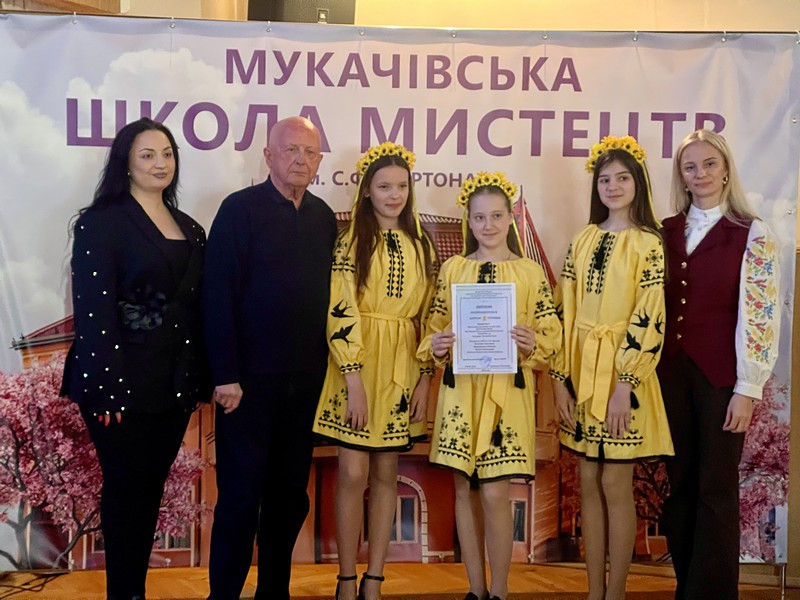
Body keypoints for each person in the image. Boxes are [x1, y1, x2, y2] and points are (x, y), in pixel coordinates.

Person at [61, 117, 210, 600]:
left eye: (167, 154)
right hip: (118, 384)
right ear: (125, 162)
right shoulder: (101, 222)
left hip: (173, 383)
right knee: (126, 490)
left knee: (149, 492)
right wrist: (107, 388)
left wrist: (202, 377)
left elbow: (197, 308)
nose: (160, 163)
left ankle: (134, 592)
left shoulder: (191, 228)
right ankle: (123, 594)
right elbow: (93, 311)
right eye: (147, 154)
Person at [203, 116, 338, 600]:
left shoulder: (324, 218)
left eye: (310, 152)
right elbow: (217, 295)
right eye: (291, 150)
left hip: (304, 385)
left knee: (288, 498)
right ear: (268, 156)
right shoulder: (238, 210)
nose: (301, 160)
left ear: (319, 161)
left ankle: (273, 593)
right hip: (247, 386)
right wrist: (225, 374)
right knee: (240, 498)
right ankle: (223, 595)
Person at [418, 172, 562, 600]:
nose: (488, 225)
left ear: (510, 218)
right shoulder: (453, 269)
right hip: (461, 392)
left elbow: (551, 333)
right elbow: (433, 324)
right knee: (464, 488)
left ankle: (499, 590)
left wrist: (533, 343)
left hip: (507, 393)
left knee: (497, 492)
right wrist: (437, 344)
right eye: (479, 217)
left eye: (497, 216)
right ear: (469, 220)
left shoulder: (529, 272)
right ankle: (475, 589)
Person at [549, 136, 674, 600]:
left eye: (623, 178)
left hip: (624, 379)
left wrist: (626, 383)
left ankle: (616, 591)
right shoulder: (583, 239)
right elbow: (563, 313)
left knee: (615, 481)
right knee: (587, 480)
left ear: (638, 183)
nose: (613, 186)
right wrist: (560, 380)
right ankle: (593, 591)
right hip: (583, 375)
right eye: (605, 179)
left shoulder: (649, 243)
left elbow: (650, 315)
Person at [312, 142, 437, 600]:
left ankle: (375, 578)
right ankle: (346, 577)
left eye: (402, 186)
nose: (394, 195)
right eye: (384, 187)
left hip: (402, 365)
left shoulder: (422, 245)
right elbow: (340, 308)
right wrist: (353, 378)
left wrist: (425, 376)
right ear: (366, 191)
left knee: (388, 473)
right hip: (358, 366)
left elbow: (431, 315)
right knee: (351, 472)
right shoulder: (351, 242)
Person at [659, 129, 780, 600]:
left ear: (726, 169)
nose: (700, 174)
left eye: (709, 164)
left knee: (716, 487)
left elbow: (761, 314)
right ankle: (686, 588)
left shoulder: (752, 233)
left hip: (722, 379)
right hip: (669, 376)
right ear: (681, 176)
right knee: (680, 485)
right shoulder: (665, 231)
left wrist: (748, 388)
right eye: (690, 167)